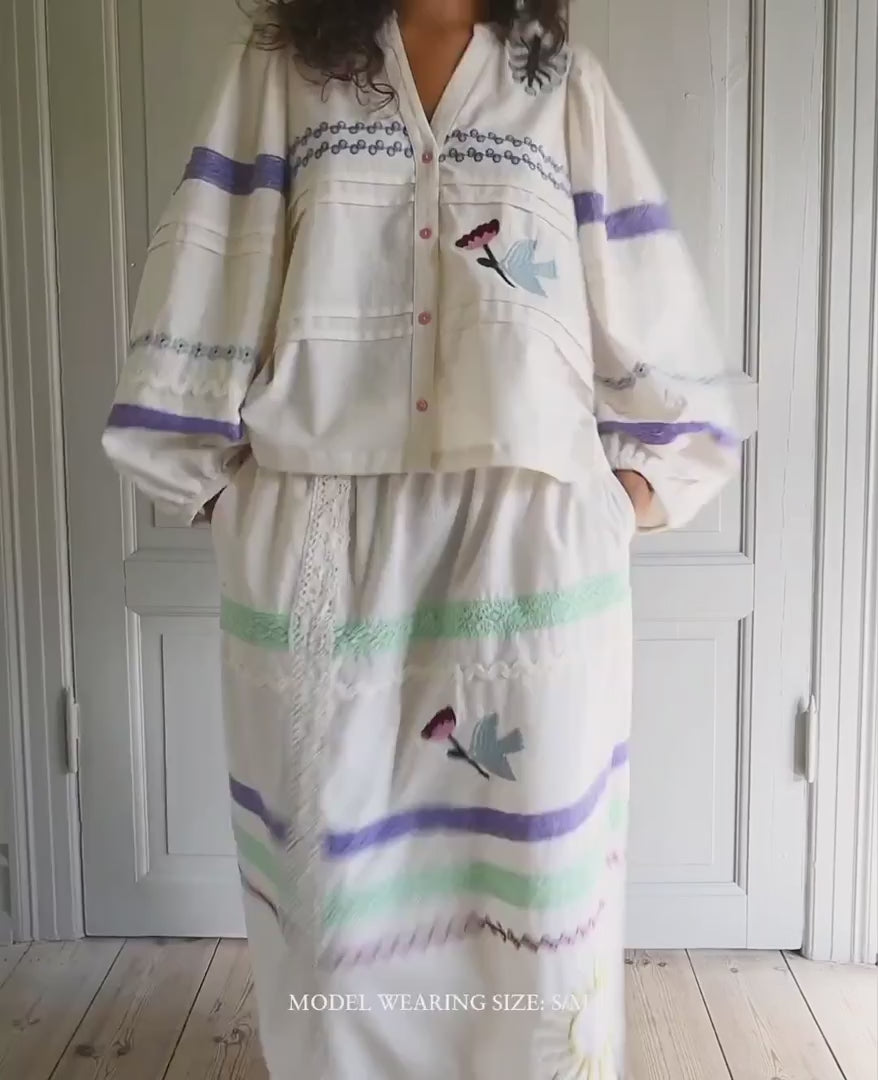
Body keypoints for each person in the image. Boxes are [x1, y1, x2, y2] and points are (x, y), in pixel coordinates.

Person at [103, 0, 754, 1075]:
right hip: (328, 546)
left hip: (522, 545)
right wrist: (222, 492)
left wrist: (630, 491)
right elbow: (215, 261)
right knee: (334, 892)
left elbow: (641, 283)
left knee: (534, 888)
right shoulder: (283, 72)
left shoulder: (557, 84)